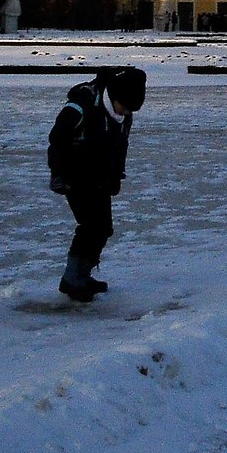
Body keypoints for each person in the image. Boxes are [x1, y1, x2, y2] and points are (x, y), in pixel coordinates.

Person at [47, 65, 147, 302]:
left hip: (99, 174)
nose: (126, 113)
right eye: (124, 106)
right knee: (90, 226)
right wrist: (57, 174)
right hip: (74, 174)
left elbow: (121, 145)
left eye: (131, 110)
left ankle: (82, 275)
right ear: (114, 96)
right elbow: (57, 138)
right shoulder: (83, 103)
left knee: (103, 228)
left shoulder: (125, 114)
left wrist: (116, 175)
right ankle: (72, 279)